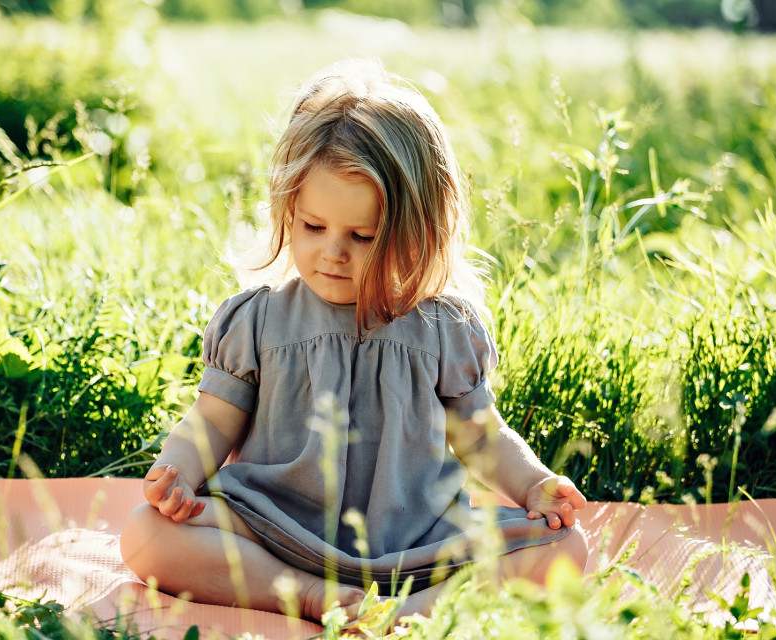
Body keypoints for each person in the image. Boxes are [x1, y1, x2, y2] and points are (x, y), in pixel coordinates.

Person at [120, 58, 588, 623]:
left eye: (363, 236)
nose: (332, 252)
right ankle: (308, 595)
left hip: (416, 542)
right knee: (145, 536)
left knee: (566, 549)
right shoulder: (258, 319)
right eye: (313, 227)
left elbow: (481, 435)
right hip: (273, 529)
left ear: (418, 231)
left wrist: (536, 484)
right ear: (286, 208)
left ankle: (406, 612)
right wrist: (178, 472)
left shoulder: (443, 328)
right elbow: (214, 421)